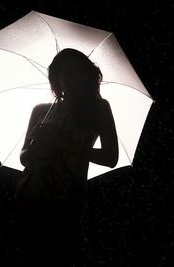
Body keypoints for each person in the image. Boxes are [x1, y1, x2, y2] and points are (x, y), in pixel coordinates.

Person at [13, 48, 119, 265]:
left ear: (88, 75)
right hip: (29, 196)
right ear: (57, 80)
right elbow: (23, 157)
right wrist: (36, 145)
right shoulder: (41, 110)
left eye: (78, 72)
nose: (74, 79)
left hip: (67, 202)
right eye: (67, 74)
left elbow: (110, 158)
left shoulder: (99, 109)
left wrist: (61, 142)